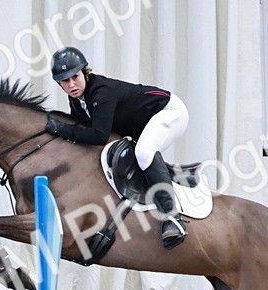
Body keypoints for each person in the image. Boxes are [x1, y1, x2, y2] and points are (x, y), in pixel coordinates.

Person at [44, 46, 189, 249]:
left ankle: (172, 218)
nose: (72, 85)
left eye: (75, 77)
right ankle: (167, 175)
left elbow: (99, 135)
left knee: (144, 151)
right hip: (147, 121)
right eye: (65, 82)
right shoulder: (77, 100)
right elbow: (82, 130)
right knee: (139, 152)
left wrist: (60, 129)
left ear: (84, 72)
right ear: (59, 84)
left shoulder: (102, 91)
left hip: (170, 112)